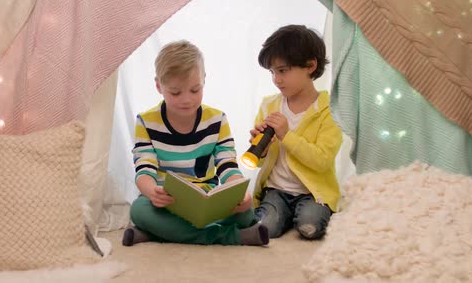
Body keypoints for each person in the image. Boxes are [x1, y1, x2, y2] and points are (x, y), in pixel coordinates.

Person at [123, 40, 269, 246]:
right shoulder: (146, 121)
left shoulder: (217, 120)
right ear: (159, 86)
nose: (186, 99)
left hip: (207, 201)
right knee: (139, 210)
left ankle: (156, 233)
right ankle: (231, 237)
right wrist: (151, 192)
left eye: (195, 90)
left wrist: (239, 193)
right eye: (175, 92)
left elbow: (228, 168)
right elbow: (144, 170)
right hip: (166, 202)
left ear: (204, 81)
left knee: (246, 212)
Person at [251, 25, 342, 240]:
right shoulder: (268, 107)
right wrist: (259, 150)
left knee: (310, 226)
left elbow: (322, 160)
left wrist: (287, 136)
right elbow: (256, 162)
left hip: (313, 193)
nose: (276, 79)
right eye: (272, 72)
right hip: (275, 191)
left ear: (310, 65)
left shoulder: (328, 110)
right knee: (265, 228)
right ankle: (278, 215)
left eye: (282, 70)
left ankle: (303, 216)